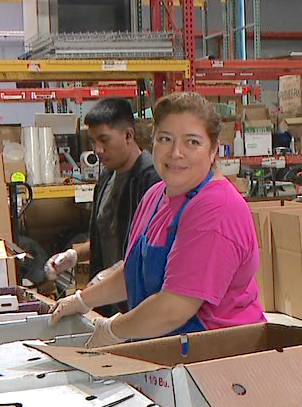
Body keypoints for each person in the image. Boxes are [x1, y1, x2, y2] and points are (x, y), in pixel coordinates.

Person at [49, 92, 265, 347]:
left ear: (214, 150)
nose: (176, 153)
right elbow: (134, 274)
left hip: (220, 353)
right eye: (165, 139)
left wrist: (112, 330)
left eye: (192, 142)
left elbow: (175, 307)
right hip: (170, 346)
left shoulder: (217, 208)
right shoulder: (156, 195)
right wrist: (83, 300)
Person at [44, 98, 160, 315]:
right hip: (108, 305)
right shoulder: (106, 177)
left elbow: (152, 250)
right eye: (93, 141)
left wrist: (112, 276)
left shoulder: (151, 179)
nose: (97, 149)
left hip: (139, 305)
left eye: (104, 140)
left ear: (128, 135)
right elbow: (106, 237)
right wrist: (72, 255)